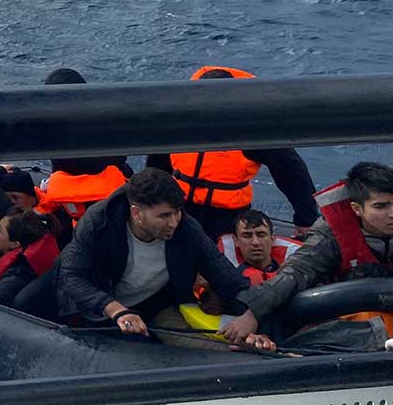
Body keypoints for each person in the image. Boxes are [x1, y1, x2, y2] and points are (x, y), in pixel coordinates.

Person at [55, 168, 268, 347]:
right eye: (164, 215)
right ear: (137, 213)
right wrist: (116, 310)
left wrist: (253, 317)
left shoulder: (187, 230)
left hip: (155, 305)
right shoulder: (98, 223)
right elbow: (72, 277)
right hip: (97, 310)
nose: (173, 222)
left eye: (177, 212)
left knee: (211, 349)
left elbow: (227, 277)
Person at [222, 162, 393, 345]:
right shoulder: (330, 233)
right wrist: (253, 314)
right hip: (347, 317)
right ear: (357, 208)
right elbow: (296, 272)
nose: (392, 214)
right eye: (380, 206)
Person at [147, 67, 318, 239]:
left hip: (228, 217)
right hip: (179, 208)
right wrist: (152, 200)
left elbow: (291, 171)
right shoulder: (180, 118)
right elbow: (158, 161)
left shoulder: (252, 126)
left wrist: (306, 218)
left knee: (223, 254)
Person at [38, 69, 132, 221]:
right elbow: (121, 155)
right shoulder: (105, 116)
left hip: (72, 202)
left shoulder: (52, 125)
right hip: (112, 196)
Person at [218, 209, 301, 286]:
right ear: (236, 241)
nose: (255, 242)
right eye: (247, 236)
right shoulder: (221, 271)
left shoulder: (297, 260)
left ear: (272, 239)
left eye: (261, 235)